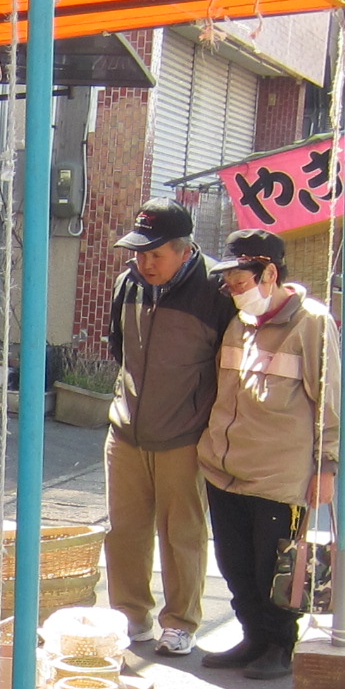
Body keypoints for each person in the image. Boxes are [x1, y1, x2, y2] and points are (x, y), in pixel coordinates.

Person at [196, 229, 339, 679]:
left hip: (280, 474)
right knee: (234, 563)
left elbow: (330, 401)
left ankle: (280, 642)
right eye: (229, 285)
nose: (234, 292)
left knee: (273, 565)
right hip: (225, 467)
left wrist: (327, 466)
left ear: (270, 274)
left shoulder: (312, 323)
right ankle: (253, 636)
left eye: (240, 282)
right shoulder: (239, 323)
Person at [101, 199, 234, 658]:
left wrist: (210, 426)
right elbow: (119, 349)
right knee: (125, 530)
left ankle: (180, 621)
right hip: (126, 429)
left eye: (156, 254)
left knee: (182, 533)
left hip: (185, 433)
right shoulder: (127, 284)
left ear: (184, 249)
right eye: (140, 253)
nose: (145, 263)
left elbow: (228, 367)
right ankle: (130, 615)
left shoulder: (216, 291)